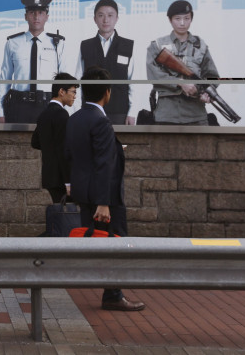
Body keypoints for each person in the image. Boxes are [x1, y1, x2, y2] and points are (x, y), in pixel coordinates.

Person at [65, 66, 145, 312]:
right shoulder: (100, 121)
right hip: (104, 198)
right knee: (116, 244)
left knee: (97, 242)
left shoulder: (76, 118)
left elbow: (71, 156)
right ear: (107, 93)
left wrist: (71, 186)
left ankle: (110, 290)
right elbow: (103, 163)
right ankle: (113, 294)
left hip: (85, 193)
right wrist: (104, 202)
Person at [146, 0, 219, 125]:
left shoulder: (201, 46)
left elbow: (212, 76)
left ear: (191, 19)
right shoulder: (157, 46)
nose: (182, 23)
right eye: (177, 18)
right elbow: (154, 75)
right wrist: (180, 83)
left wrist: (205, 93)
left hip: (196, 116)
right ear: (170, 20)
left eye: (187, 18)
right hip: (167, 115)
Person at [0, 0, 68, 124]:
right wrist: (0, 112)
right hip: (19, 106)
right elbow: (5, 79)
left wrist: (67, 110)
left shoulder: (58, 44)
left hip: (48, 105)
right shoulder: (13, 43)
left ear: (47, 16)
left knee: (47, 144)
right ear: (25, 16)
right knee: (16, 144)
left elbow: (65, 80)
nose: (36, 17)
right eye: (32, 12)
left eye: (41, 12)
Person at [76, 0, 135, 125]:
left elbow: (134, 82)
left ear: (117, 18)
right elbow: (78, 81)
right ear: (94, 19)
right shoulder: (86, 46)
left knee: (120, 145)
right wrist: (77, 110)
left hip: (120, 112)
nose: (105, 20)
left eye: (110, 15)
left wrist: (132, 112)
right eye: (101, 15)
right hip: (90, 111)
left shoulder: (128, 46)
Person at [31, 73, 78, 203]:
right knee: (68, 218)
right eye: (73, 92)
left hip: (49, 177)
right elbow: (64, 150)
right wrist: (68, 182)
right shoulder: (62, 114)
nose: (75, 96)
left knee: (61, 215)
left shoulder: (44, 114)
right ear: (61, 91)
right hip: (61, 179)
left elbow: (35, 142)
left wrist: (49, 147)